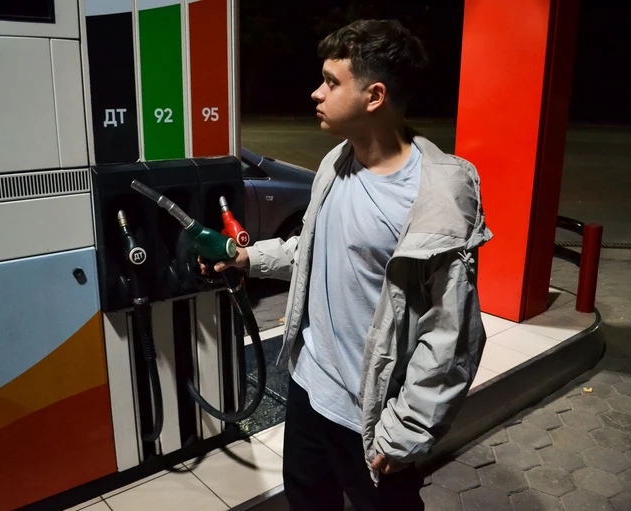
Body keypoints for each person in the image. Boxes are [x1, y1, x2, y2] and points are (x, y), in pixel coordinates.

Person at [203, 19, 492, 511]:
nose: (316, 93)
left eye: (331, 82)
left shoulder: (437, 197)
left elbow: (453, 335)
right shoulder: (337, 162)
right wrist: (251, 258)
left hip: (371, 415)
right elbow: (312, 249)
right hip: (308, 387)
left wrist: (407, 431)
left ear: (374, 96)